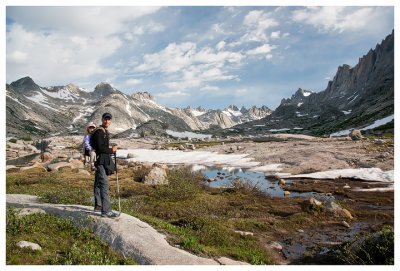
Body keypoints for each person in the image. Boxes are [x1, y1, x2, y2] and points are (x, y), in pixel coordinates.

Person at [90, 112, 118, 218]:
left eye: (109, 119)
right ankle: (106, 211)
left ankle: (98, 205)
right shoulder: (99, 132)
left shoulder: (103, 131)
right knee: (104, 184)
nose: (107, 121)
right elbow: (100, 148)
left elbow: (101, 146)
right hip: (100, 161)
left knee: (98, 183)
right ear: (102, 120)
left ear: (111, 121)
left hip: (101, 160)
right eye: (105, 119)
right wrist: (112, 150)